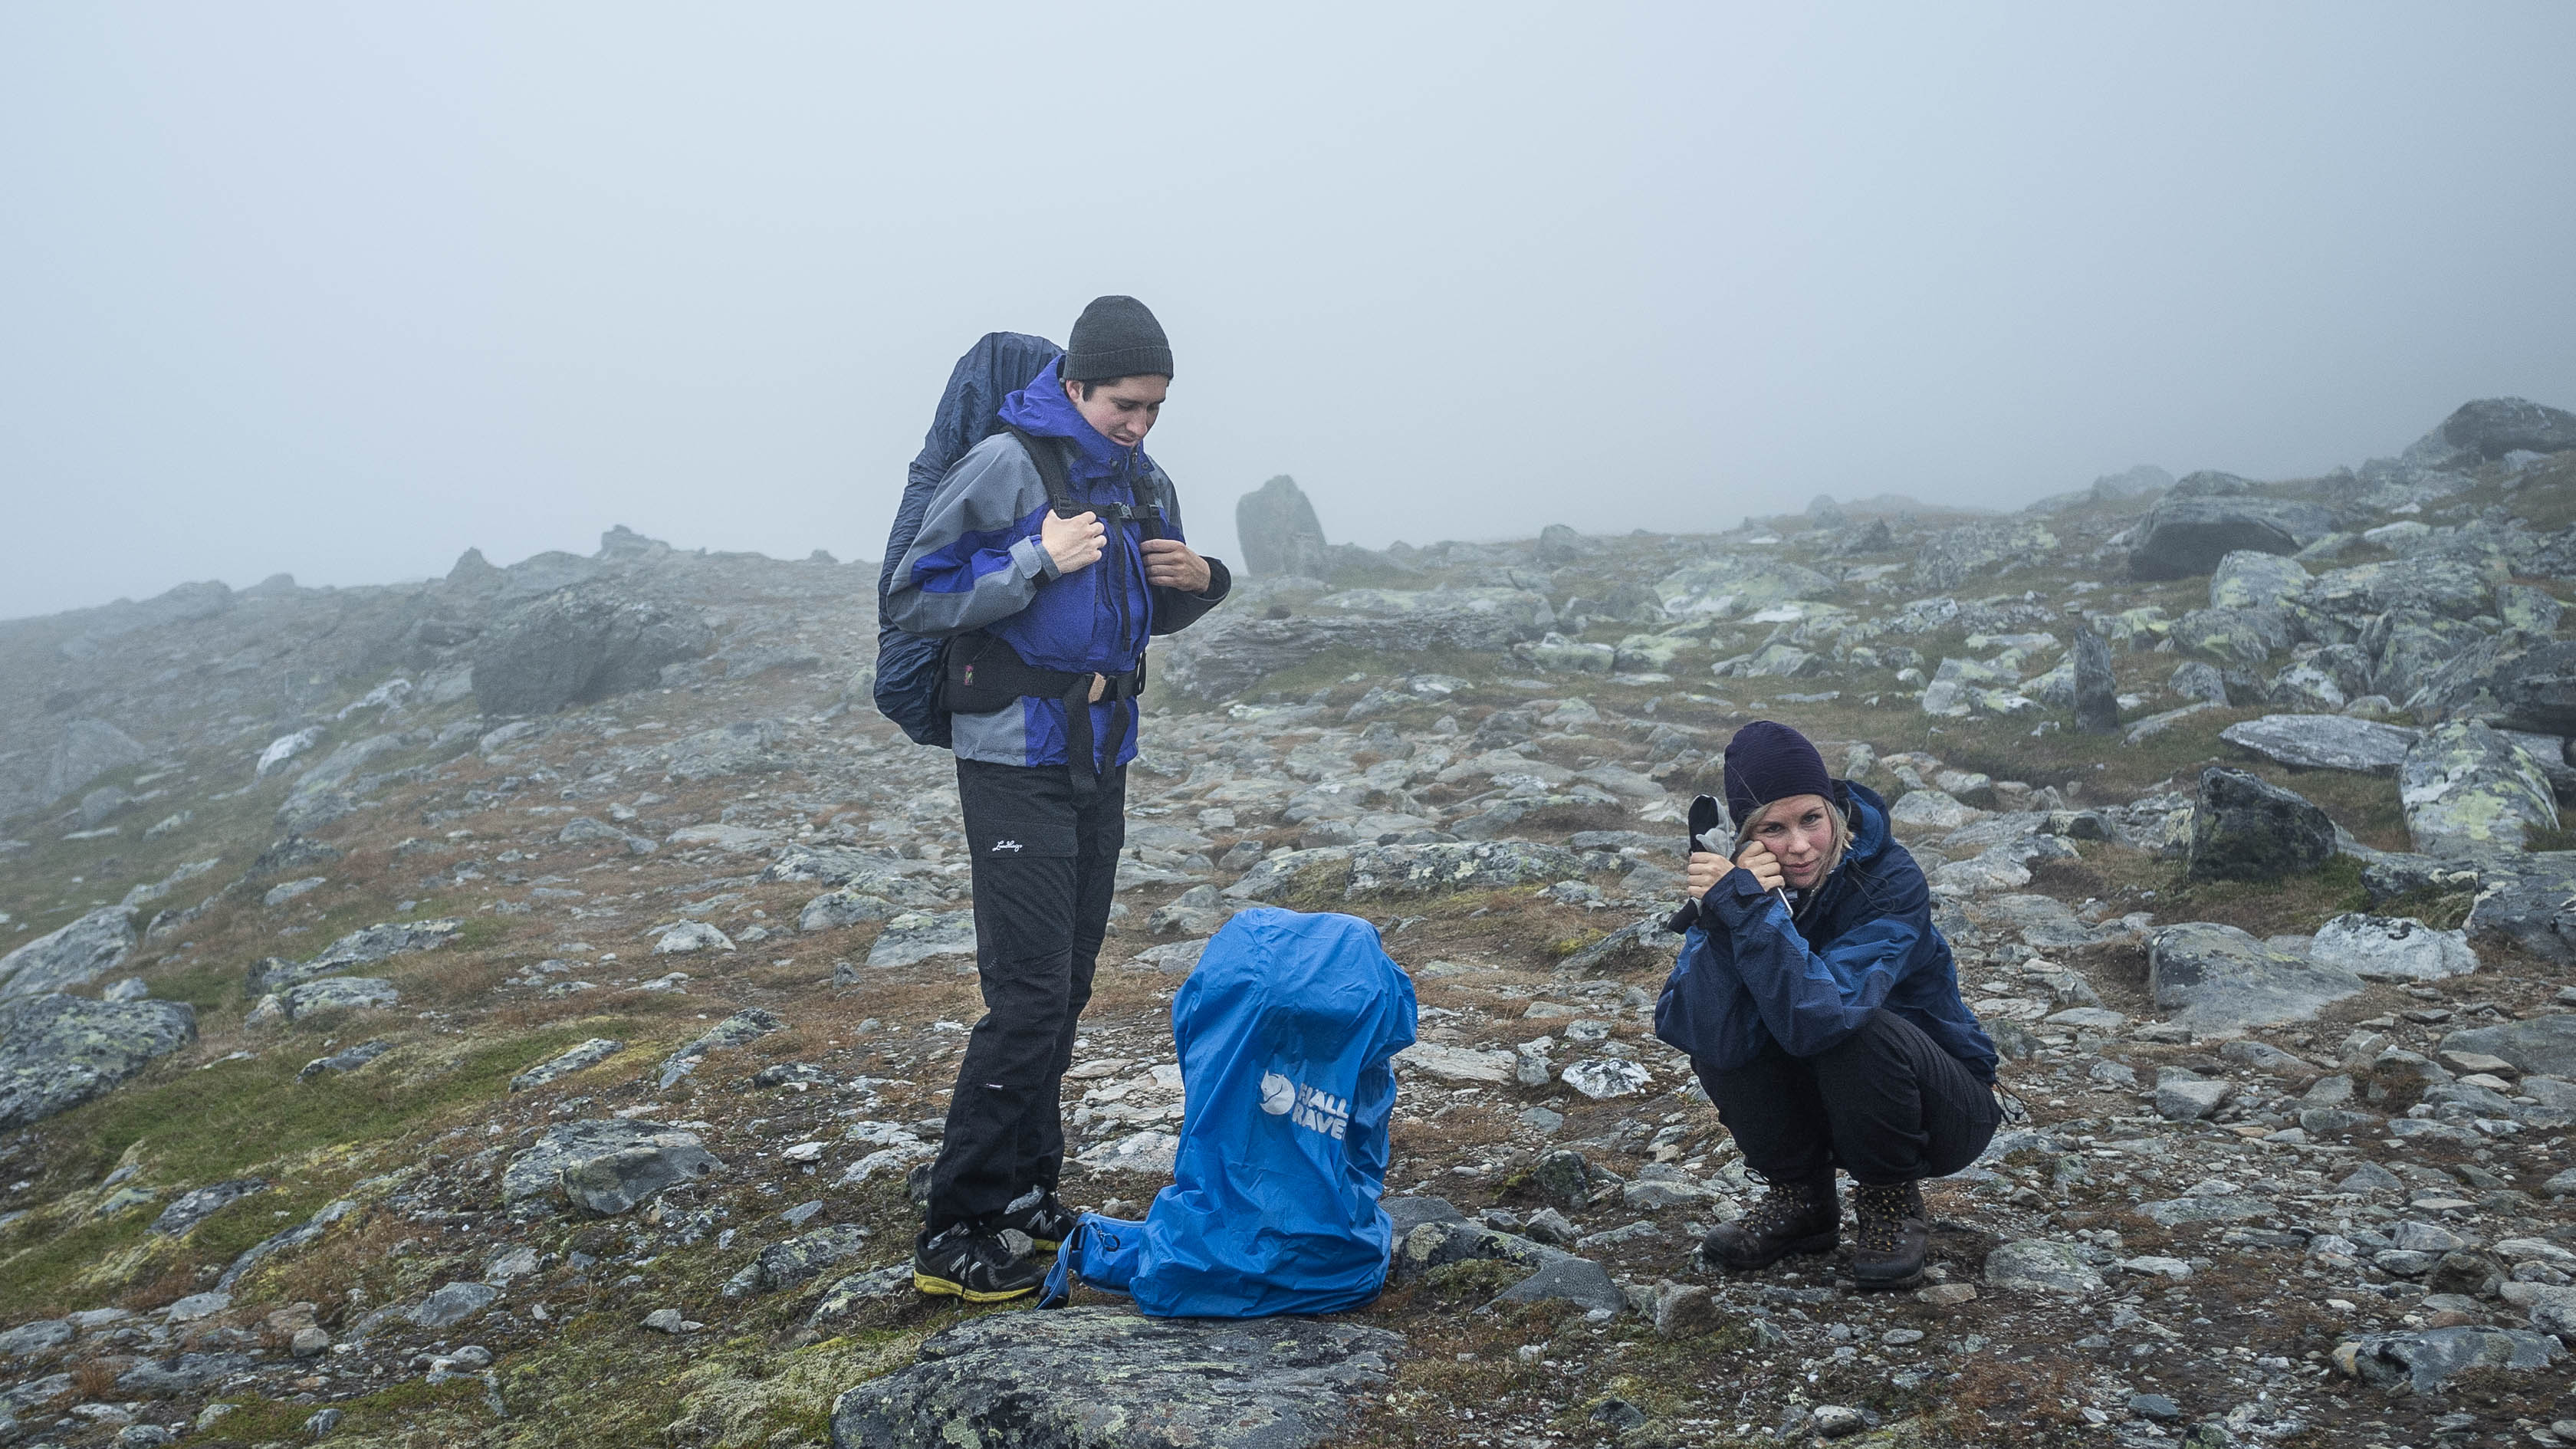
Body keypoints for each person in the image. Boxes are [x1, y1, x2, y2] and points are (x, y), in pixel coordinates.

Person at [882, 295, 1231, 1300]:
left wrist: (1204, 581)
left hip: (1102, 754)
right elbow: (914, 594)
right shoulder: (1006, 465)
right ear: (1076, 386)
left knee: (1065, 987)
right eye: (1127, 403)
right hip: (1014, 759)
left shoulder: (1139, 477)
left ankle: (1030, 1193)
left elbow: (1139, 610)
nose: (1141, 423)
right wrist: (1034, 558)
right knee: (1027, 995)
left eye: (1156, 407)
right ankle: (957, 1224)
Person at [1653, 720, 2001, 1290]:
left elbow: (1825, 1015)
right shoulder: (1739, 889)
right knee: (1718, 1025)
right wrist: (1721, 925)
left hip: (1942, 1108)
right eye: (1773, 827)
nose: (1798, 845)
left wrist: (1752, 912)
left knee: (1854, 1029)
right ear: (1744, 837)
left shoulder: (1889, 879)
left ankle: (1891, 1203)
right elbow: (1693, 1026)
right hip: (1830, 1099)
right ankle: (1801, 1204)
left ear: (1833, 810)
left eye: (1811, 819)